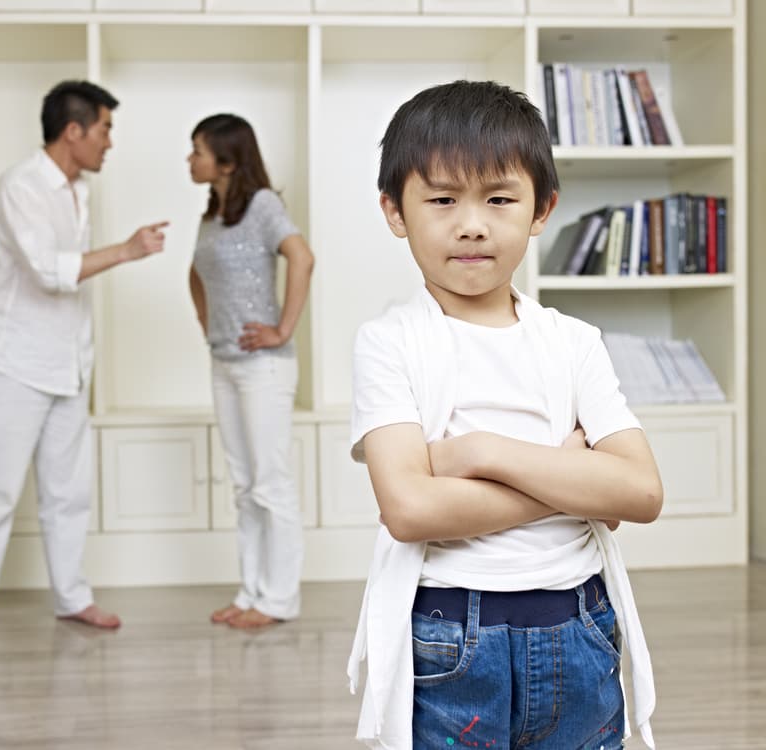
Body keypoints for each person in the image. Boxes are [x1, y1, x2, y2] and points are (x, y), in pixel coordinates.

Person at [346, 81, 663, 749]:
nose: (472, 223)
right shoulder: (390, 342)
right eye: (441, 199)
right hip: (450, 638)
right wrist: (571, 481)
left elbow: (638, 492)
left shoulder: (573, 341)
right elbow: (408, 508)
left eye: (498, 198)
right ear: (394, 211)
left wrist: (482, 452)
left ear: (541, 209)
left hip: (580, 627)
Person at [0, 80, 168, 649]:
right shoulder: (20, 186)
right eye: (105, 129)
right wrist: (127, 250)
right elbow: (47, 270)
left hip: (68, 367)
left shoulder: (77, 191)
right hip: (14, 364)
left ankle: (72, 598)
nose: (110, 143)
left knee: (68, 494)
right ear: (74, 131)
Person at [186, 114, 315, 630]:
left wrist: (282, 329)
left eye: (197, 151)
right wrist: (207, 322)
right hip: (224, 362)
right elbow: (195, 274)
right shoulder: (212, 214)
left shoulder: (263, 206)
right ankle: (250, 592)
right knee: (243, 486)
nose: (190, 160)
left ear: (228, 159)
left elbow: (302, 259)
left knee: (270, 483)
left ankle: (279, 600)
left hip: (264, 367)